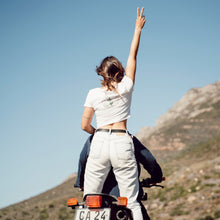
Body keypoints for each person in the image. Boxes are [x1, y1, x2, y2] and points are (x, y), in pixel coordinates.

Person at [81, 7, 146, 219]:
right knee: (131, 202)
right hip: (120, 141)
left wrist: (96, 132)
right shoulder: (126, 86)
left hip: (99, 141)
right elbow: (132, 55)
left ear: (101, 72)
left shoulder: (92, 93)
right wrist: (137, 30)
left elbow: (84, 125)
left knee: (91, 201)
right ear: (119, 71)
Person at [74, 134, 163, 220]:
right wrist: (156, 177)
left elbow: (82, 160)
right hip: (121, 198)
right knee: (137, 209)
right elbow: (148, 159)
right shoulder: (127, 139)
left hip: (96, 197)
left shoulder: (94, 139)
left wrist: (80, 183)